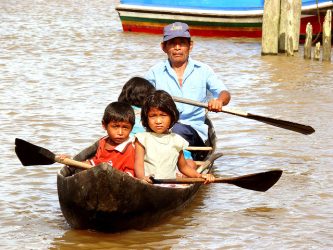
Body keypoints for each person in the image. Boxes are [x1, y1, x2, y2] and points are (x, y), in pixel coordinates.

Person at [145, 21, 231, 149]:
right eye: (173, 43)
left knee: (177, 131)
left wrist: (219, 101)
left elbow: (225, 93)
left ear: (190, 46)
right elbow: (141, 99)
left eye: (182, 43)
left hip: (194, 131)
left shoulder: (203, 70)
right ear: (164, 47)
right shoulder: (154, 72)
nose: (177, 48)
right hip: (160, 129)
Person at [134, 90, 215, 183]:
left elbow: (183, 167)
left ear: (172, 117)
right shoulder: (142, 138)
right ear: (146, 118)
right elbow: (138, 164)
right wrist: (142, 178)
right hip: (148, 183)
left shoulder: (176, 140)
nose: (158, 121)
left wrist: (200, 176)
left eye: (163, 115)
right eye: (153, 116)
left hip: (169, 185)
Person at [118, 76, 197, 170]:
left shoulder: (121, 113)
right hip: (147, 153)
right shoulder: (148, 114)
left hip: (131, 153)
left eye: (162, 116)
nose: (158, 121)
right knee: (189, 162)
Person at [79, 101, 136, 176]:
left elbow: (130, 173)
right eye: (115, 126)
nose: (120, 132)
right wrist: (70, 161)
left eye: (125, 127)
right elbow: (95, 162)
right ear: (104, 125)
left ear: (131, 128)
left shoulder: (131, 147)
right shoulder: (103, 142)